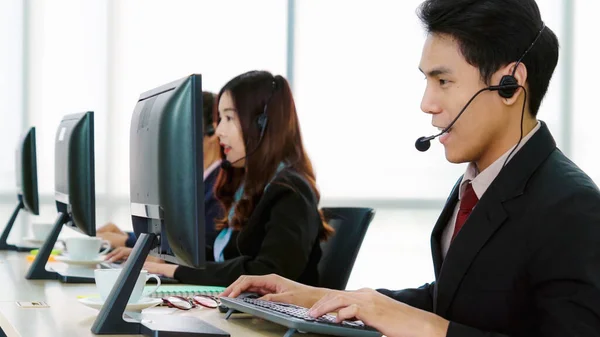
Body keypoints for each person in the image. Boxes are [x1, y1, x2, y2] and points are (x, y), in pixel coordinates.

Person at [220, 1, 600, 336]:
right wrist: (320, 297)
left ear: (509, 85)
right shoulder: (479, 182)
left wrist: (428, 328)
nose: (427, 103)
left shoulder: (572, 207)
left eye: (443, 80)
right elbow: (452, 300)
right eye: (427, 80)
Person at [112, 70, 334, 287]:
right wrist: (166, 260)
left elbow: (266, 273)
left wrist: (177, 270)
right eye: (220, 118)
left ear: (262, 125)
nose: (218, 131)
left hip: (267, 323)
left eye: (228, 117)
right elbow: (221, 256)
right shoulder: (248, 187)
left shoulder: (290, 190)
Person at [100, 91, 223, 252]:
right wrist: (128, 237)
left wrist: (127, 242)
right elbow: (175, 239)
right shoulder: (196, 181)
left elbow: (200, 249)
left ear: (212, 132)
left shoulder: (223, 184)